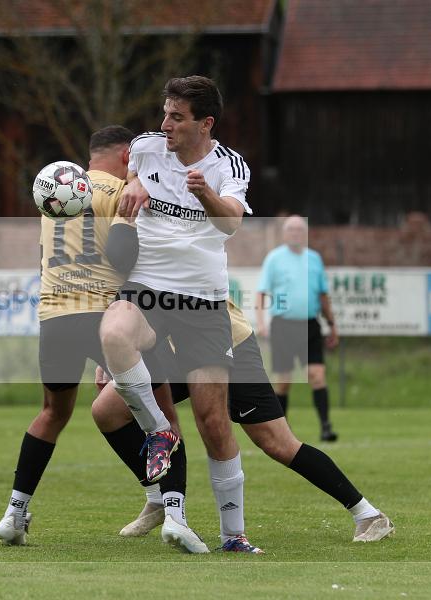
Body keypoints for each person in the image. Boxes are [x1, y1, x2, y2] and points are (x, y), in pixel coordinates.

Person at [0, 126, 201, 551]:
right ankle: (174, 515)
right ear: (127, 154)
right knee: (162, 416)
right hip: (105, 316)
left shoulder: (54, 196)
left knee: (52, 413)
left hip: (54, 316)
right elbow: (127, 260)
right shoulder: (123, 193)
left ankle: (14, 513)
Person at [99, 75, 262, 553]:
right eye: (165, 113)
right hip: (147, 287)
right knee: (112, 334)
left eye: (176, 116)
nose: (164, 123)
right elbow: (135, 173)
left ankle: (234, 536)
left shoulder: (228, 165)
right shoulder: (147, 147)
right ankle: (160, 431)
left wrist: (203, 193)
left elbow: (230, 221)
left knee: (214, 421)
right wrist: (133, 185)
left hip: (203, 300)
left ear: (204, 124)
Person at [93, 300, 395, 543]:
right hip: (169, 348)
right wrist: (111, 355)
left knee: (276, 442)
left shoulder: (177, 230)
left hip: (225, 340)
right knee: (107, 410)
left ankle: (367, 513)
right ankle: (158, 498)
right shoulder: (128, 230)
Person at [256, 215, 340, 442]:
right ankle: (282, 431)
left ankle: (325, 426)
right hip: (284, 325)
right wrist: (261, 322)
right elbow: (261, 292)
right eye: (291, 229)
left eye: (299, 229)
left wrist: (332, 324)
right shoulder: (274, 259)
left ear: (305, 233)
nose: (295, 233)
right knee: (284, 381)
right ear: (284, 234)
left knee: (317, 375)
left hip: (311, 325)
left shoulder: (314, 259)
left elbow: (323, 295)